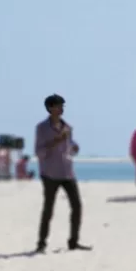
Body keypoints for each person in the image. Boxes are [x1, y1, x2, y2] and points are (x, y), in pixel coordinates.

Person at [34, 94, 88, 253]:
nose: (61, 108)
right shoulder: (42, 128)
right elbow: (39, 152)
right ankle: (41, 243)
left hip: (67, 172)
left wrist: (74, 147)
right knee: (48, 209)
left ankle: (73, 242)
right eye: (58, 105)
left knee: (77, 206)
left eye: (62, 105)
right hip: (49, 173)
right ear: (50, 108)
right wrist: (55, 141)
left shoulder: (67, 127)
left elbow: (69, 146)